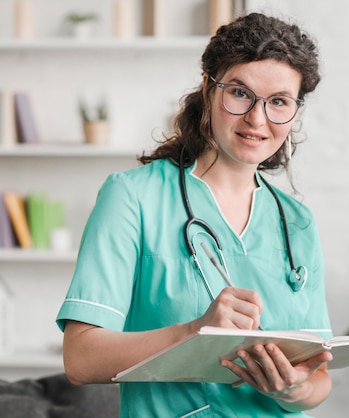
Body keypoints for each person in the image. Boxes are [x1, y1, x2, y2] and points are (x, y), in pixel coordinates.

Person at [56, 12, 333, 418]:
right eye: (240, 93)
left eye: (278, 102)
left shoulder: (297, 223)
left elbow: (319, 376)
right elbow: (80, 359)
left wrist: (293, 389)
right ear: (208, 89)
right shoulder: (133, 197)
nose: (258, 119)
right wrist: (193, 332)